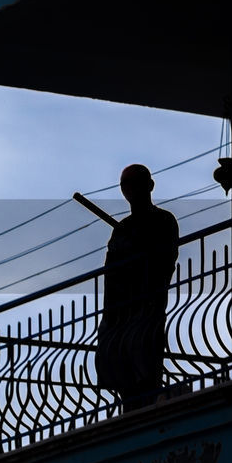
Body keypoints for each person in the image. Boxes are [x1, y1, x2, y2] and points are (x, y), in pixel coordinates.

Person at [95, 164, 179, 413]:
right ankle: (130, 407)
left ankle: (145, 407)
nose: (130, 190)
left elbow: (165, 261)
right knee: (118, 362)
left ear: (149, 186)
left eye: (135, 183)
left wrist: (142, 253)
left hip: (147, 304)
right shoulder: (122, 230)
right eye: (125, 185)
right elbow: (111, 271)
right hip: (120, 308)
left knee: (144, 360)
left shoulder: (163, 220)